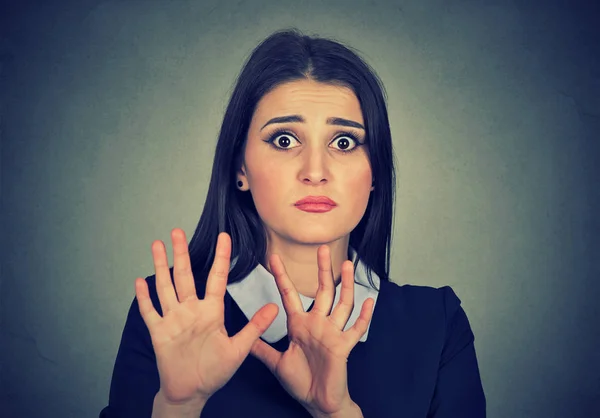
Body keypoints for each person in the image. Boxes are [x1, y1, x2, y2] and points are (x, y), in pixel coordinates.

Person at [100, 28, 486, 418]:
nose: (315, 171)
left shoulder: (437, 323)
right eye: (285, 140)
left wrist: (337, 414)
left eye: (344, 142)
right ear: (240, 167)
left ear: (375, 175)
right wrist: (177, 407)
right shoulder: (172, 312)